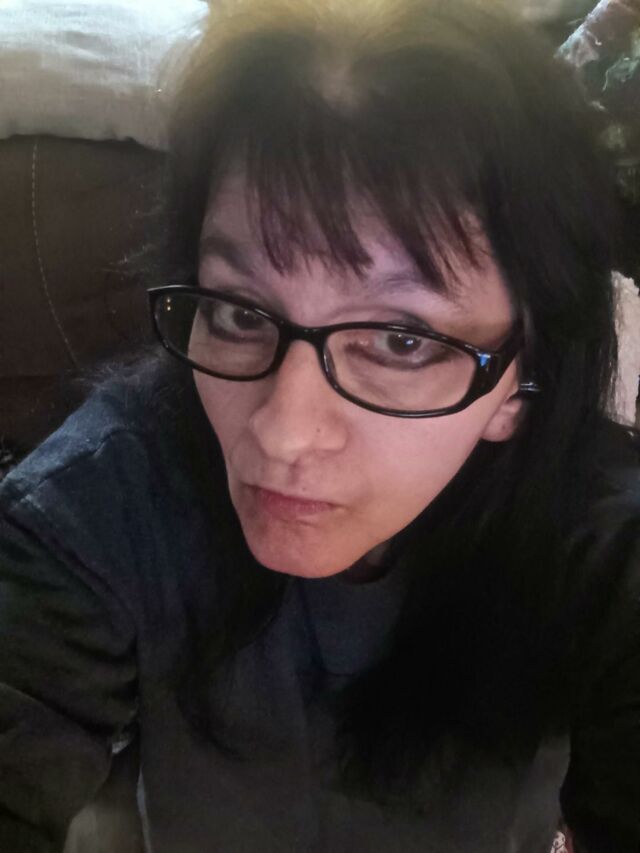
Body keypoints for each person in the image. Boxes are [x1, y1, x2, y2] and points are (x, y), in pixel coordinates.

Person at [1, 1, 639, 851]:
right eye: (239, 311)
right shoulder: (105, 497)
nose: (282, 433)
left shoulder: (603, 552)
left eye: (401, 340)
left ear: (523, 383)